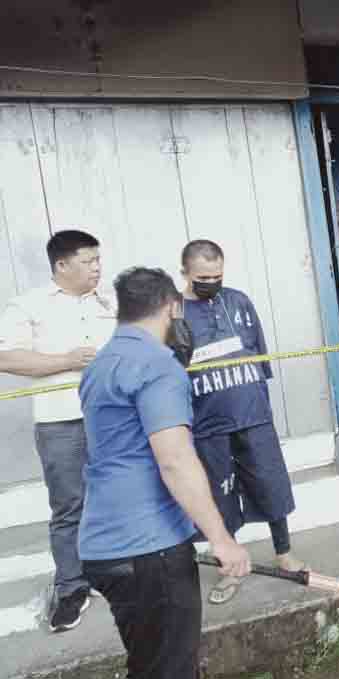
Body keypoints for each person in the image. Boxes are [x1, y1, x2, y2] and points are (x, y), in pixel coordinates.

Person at [78, 266, 251, 679]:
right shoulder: (157, 365)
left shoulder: (100, 365)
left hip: (104, 545)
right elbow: (174, 459)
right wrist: (221, 538)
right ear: (173, 307)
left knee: (151, 665)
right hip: (149, 548)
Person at [0, 230, 116, 632]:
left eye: (98, 260)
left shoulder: (110, 303)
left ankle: (111, 572)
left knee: (116, 495)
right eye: (88, 261)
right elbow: (6, 357)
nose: (97, 268)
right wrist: (65, 361)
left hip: (112, 417)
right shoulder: (29, 305)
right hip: (60, 421)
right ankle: (71, 587)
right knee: (70, 505)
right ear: (62, 265)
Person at [178, 240, 304, 605]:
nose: (211, 283)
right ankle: (229, 568)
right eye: (203, 277)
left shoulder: (238, 301)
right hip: (207, 421)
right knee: (219, 494)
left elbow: (258, 353)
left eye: (217, 276)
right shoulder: (173, 313)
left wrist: (262, 401)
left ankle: (284, 552)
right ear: (185, 272)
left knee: (270, 481)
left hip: (252, 413)